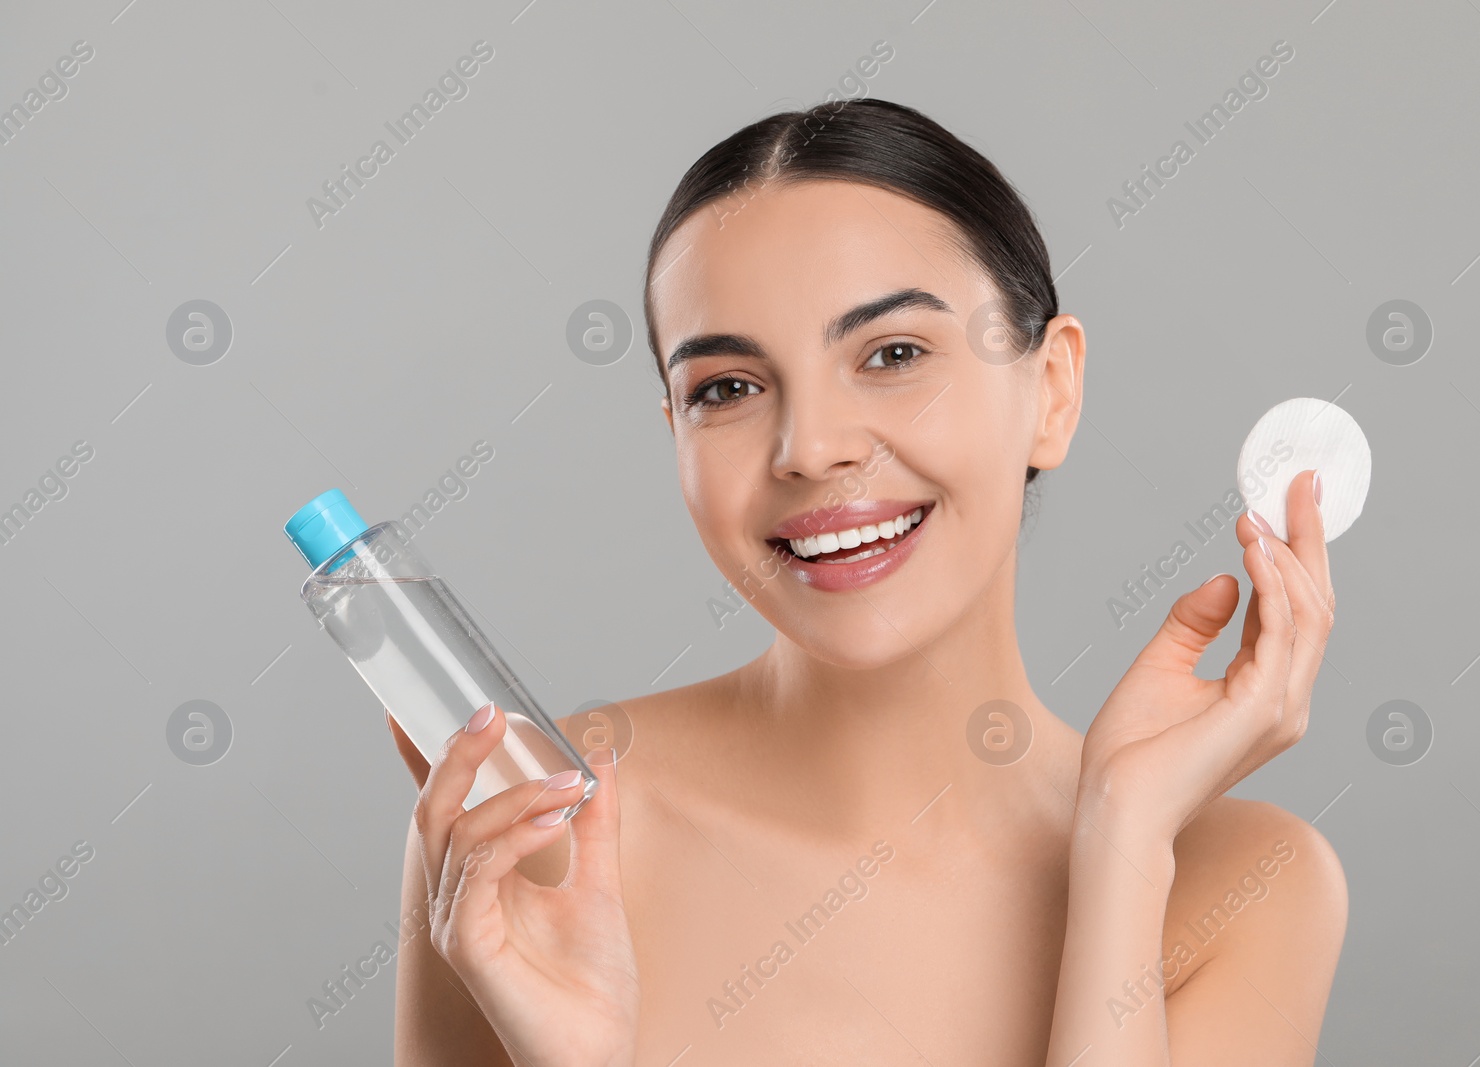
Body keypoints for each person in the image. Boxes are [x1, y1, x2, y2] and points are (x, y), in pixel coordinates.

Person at [387, 97, 1346, 1066]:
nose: (811, 448)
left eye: (892, 354)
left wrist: (1124, 843)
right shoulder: (539, 821)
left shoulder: (1246, 881)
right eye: (726, 387)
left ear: (1051, 390)